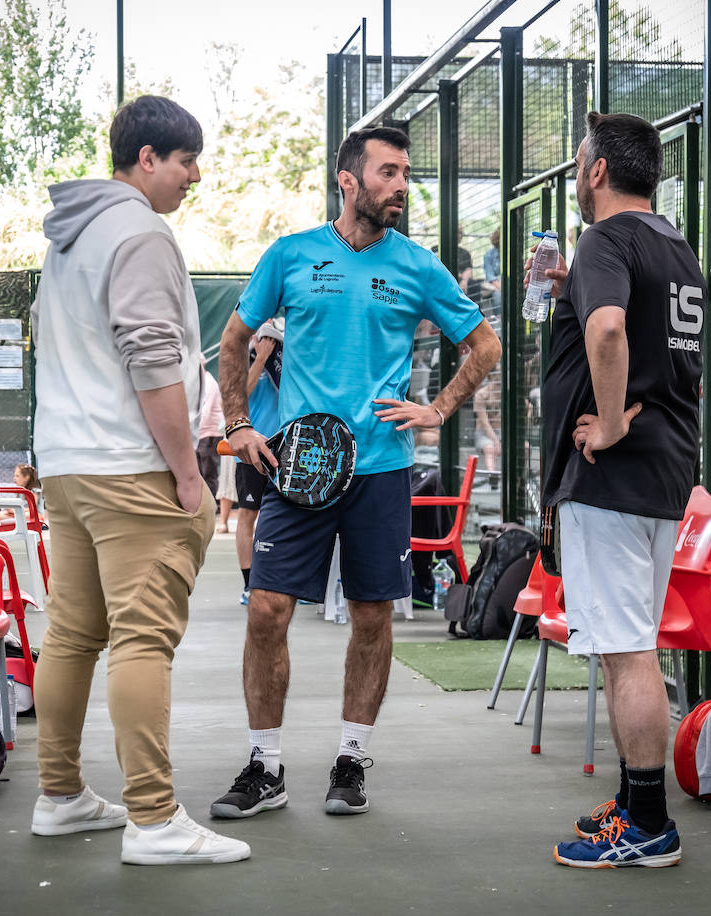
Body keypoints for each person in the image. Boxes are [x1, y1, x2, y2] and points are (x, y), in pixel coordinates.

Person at [212, 125, 501, 822]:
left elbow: (484, 344)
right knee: (266, 612)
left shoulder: (418, 267)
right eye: (389, 172)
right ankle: (264, 766)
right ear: (349, 180)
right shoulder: (291, 255)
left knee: (372, 617)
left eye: (405, 174)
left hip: (381, 471)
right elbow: (233, 338)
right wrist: (238, 424)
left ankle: (350, 757)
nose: (402, 185)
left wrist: (437, 407)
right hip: (299, 468)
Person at [27, 95, 249, 865]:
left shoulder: (71, 238)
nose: (194, 176)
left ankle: (59, 796)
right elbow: (153, 356)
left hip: (68, 464)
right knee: (142, 640)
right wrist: (189, 471)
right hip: (130, 468)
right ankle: (153, 821)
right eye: (185, 160)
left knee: (75, 633)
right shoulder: (141, 233)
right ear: (146, 160)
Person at [538, 111, 702, 868]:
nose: (576, 178)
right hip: (667, 469)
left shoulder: (603, 237)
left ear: (596, 171)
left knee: (628, 650)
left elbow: (609, 330)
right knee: (624, 647)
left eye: (578, 165)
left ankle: (649, 826)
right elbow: (623, 319)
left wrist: (604, 425)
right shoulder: (675, 245)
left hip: (616, 475)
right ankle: (636, 806)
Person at [234, 321, 283, 605]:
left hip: (284, 448)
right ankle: (248, 584)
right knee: (248, 514)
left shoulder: (285, 357)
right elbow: (241, 394)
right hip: (252, 447)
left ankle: (287, 580)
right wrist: (261, 357)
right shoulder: (244, 355)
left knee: (291, 515)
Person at [196, 359, 224, 499]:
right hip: (202, 435)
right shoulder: (200, 382)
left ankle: (211, 506)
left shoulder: (209, 383)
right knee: (201, 474)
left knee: (209, 474)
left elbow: (206, 412)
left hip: (210, 435)